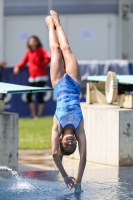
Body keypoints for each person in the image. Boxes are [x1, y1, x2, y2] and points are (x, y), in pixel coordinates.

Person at [46, 10, 86, 194]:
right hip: (74, 83)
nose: (70, 143)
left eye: (66, 145)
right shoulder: (79, 128)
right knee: (67, 49)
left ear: (61, 140)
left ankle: (49, 26)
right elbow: (83, 157)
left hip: (58, 83)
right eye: (73, 145)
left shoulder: (57, 126)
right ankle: (57, 22)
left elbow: (54, 154)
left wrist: (64, 176)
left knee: (55, 50)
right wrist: (79, 180)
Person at [13, 36, 51, 118]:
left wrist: (42, 65)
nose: (33, 42)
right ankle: (33, 115)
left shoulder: (41, 50)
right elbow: (23, 62)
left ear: (37, 41)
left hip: (41, 76)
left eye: (34, 40)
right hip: (32, 77)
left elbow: (48, 58)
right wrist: (17, 66)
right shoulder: (28, 52)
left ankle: (40, 115)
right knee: (29, 96)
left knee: (39, 95)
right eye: (31, 41)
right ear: (28, 43)